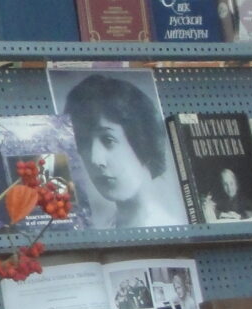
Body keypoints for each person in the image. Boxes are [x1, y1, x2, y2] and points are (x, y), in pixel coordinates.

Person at [64, 72, 182, 229]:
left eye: (108, 140)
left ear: (143, 142)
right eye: (83, 141)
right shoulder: (106, 226)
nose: (94, 159)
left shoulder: (166, 225)